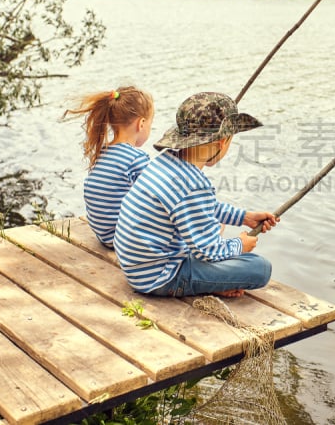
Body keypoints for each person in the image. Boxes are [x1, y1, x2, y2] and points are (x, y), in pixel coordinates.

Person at [113, 91, 278, 298]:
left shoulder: (167, 162)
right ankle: (204, 284)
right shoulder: (192, 185)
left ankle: (210, 282)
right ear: (222, 142)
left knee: (215, 228)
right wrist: (240, 244)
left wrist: (244, 217)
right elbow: (207, 251)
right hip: (160, 277)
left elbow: (201, 207)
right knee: (259, 269)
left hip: (138, 268)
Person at [64, 86, 154, 248]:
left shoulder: (102, 153)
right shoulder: (136, 159)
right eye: (150, 125)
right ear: (141, 124)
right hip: (127, 240)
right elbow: (158, 197)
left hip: (106, 236)